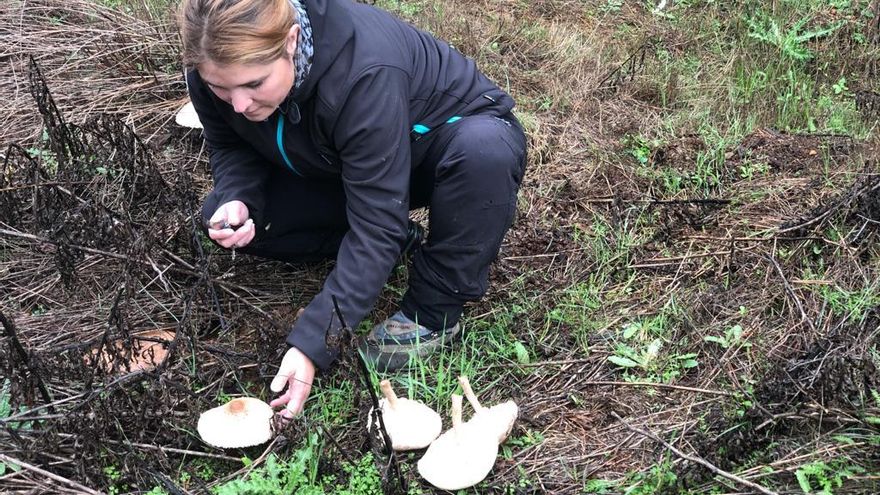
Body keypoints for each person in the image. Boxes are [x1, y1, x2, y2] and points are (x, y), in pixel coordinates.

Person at [179, 0, 527, 419]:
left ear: (291, 41)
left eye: (254, 83)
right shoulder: (211, 68)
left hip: (434, 149)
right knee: (230, 217)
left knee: (483, 153)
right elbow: (230, 144)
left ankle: (434, 310)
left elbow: (378, 222)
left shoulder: (364, 72)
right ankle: (396, 246)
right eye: (222, 89)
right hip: (337, 162)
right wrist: (239, 195)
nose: (239, 105)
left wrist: (313, 343)